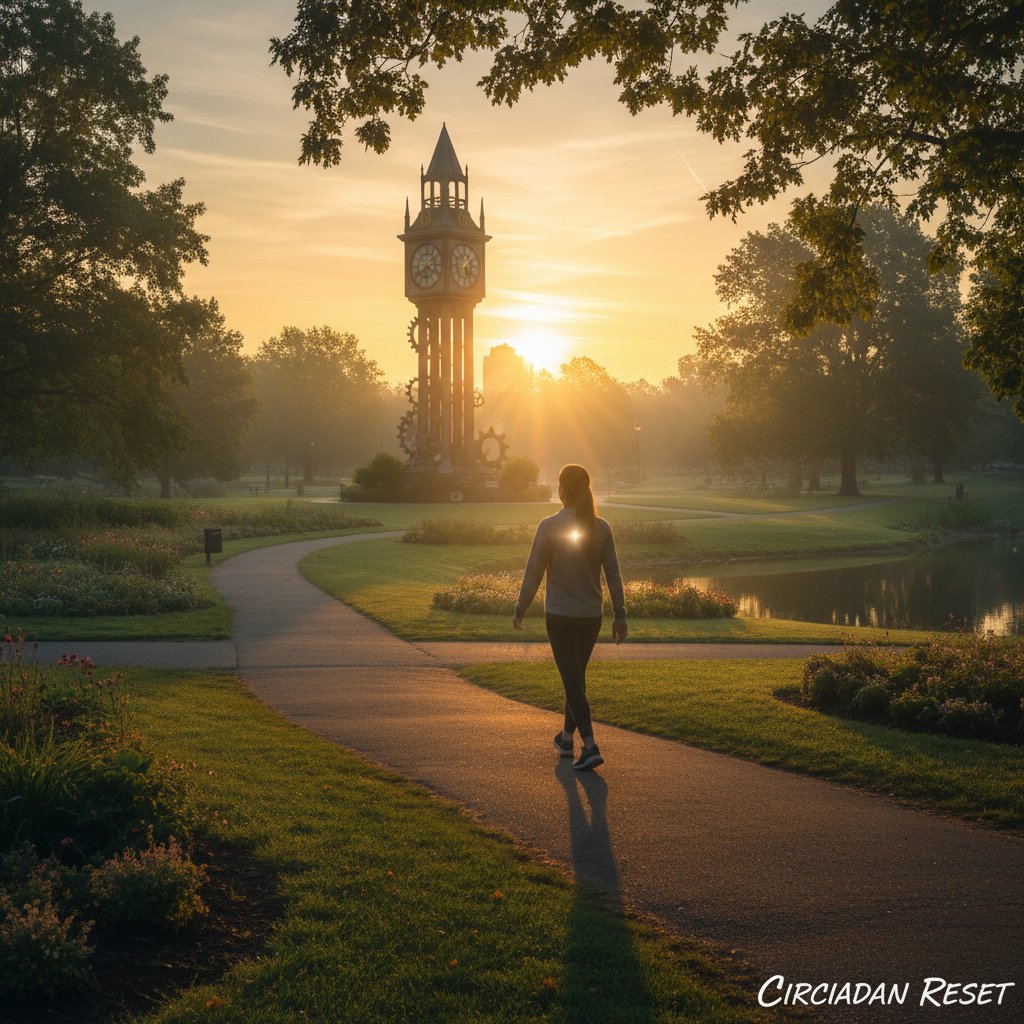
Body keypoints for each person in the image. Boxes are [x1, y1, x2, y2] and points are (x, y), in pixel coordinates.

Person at [512, 463, 627, 770]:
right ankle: (565, 739)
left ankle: (589, 746)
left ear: (562, 490)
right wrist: (620, 614)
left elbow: (534, 569)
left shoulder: (549, 525)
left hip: (560, 615)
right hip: (591, 616)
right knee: (574, 679)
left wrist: (521, 607)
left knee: (573, 681)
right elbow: (613, 574)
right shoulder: (600, 528)